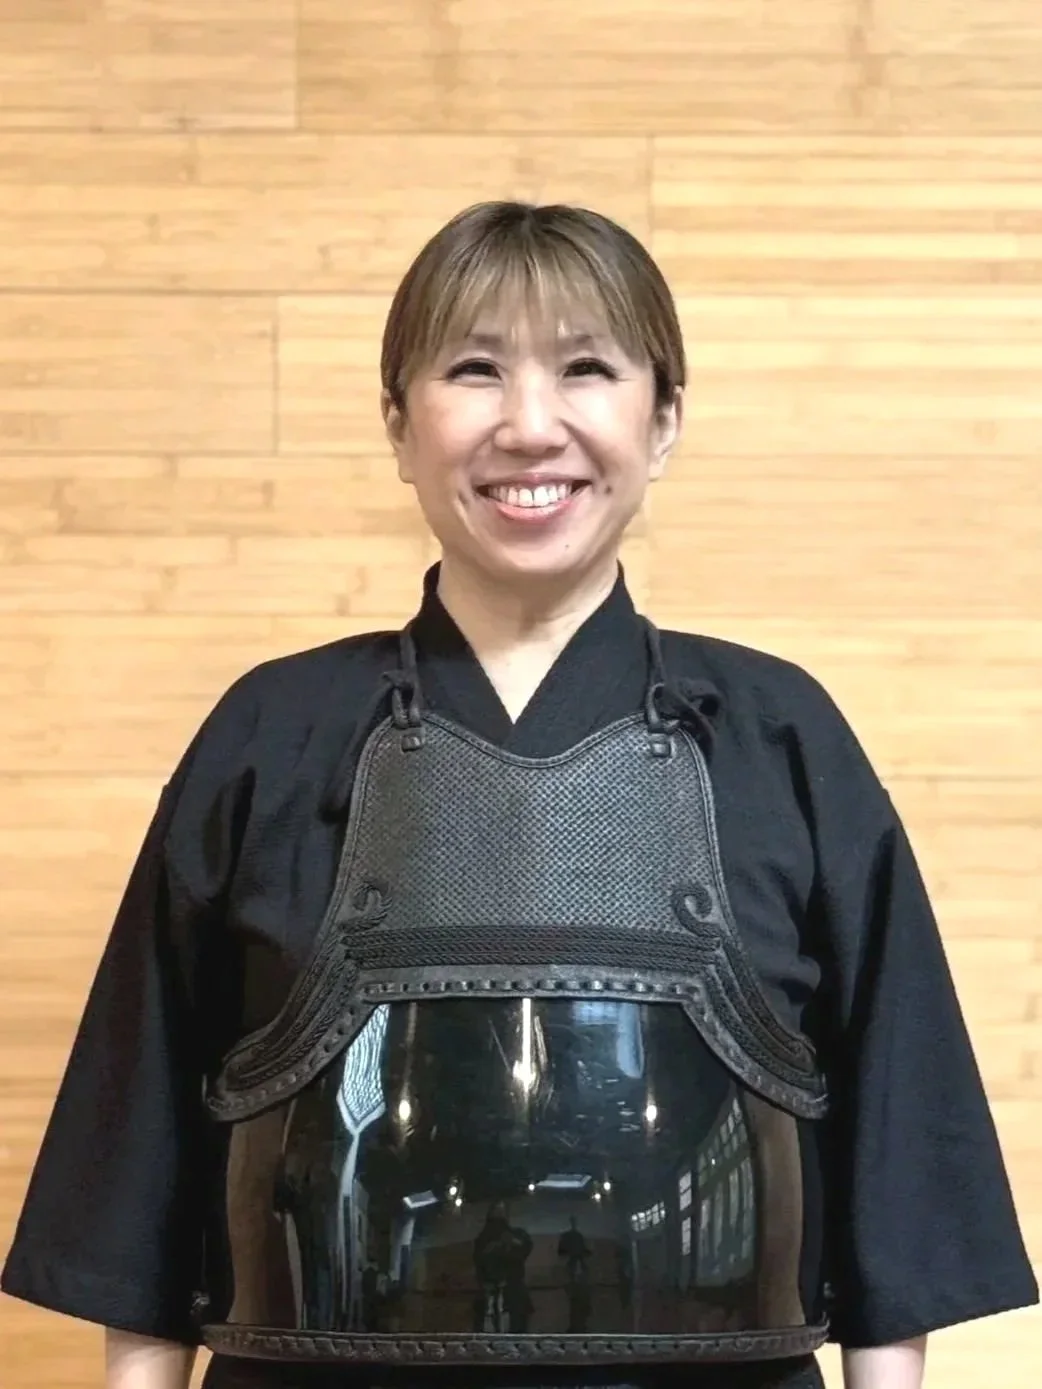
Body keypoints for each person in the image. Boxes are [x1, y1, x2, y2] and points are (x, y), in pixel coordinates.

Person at [1, 201, 1037, 1389]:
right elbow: (137, 1177)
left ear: (663, 422)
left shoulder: (779, 736)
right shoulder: (269, 737)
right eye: (475, 370)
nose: (531, 427)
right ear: (399, 425)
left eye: (585, 369)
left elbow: (899, 1159)